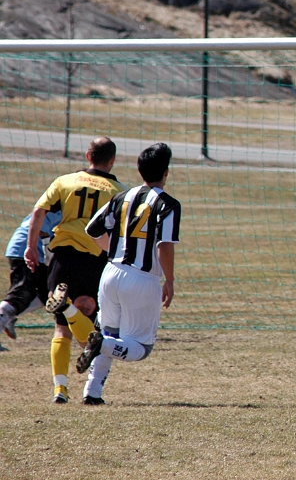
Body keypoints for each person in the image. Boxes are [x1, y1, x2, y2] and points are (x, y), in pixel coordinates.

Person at [76, 143, 180, 406]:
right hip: (142, 280)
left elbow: (92, 229)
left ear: (138, 169)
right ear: (166, 172)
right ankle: (101, 346)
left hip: (110, 273)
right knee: (140, 348)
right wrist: (170, 279)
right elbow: (164, 245)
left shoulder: (122, 197)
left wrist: (116, 252)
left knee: (109, 332)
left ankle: (92, 392)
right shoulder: (167, 204)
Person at [24, 136, 124, 404]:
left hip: (62, 258)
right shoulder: (118, 191)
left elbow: (38, 212)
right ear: (112, 160)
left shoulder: (65, 181)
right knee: (89, 324)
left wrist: (32, 247)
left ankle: (60, 389)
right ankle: (69, 310)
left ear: (88, 155)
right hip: (94, 262)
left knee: (61, 329)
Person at [0, 211, 62, 350]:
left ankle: (8, 317)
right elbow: (39, 227)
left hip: (42, 255)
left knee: (49, 296)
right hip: (27, 252)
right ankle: (6, 315)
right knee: (20, 295)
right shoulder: (54, 206)